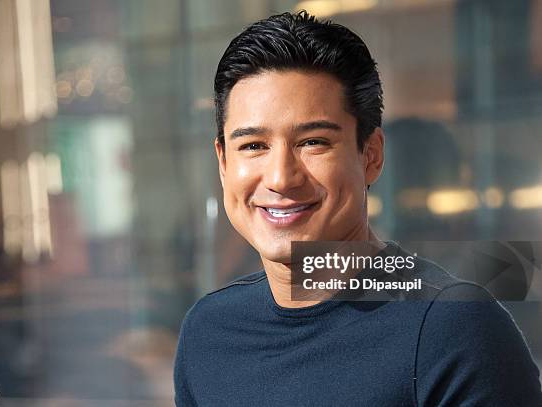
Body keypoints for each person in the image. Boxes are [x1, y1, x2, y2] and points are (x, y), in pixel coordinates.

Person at [174, 10, 542, 406]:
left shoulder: (453, 329)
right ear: (224, 163)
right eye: (253, 146)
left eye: (313, 142)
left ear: (371, 155)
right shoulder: (208, 332)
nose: (281, 177)